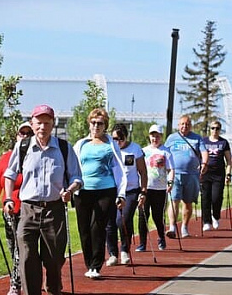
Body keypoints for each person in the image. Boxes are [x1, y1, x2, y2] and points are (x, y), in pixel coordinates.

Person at [3, 104, 83, 295]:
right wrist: (9, 198)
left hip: (54, 210)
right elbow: (9, 175)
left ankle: (54, 287)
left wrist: (70, 190)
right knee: (27, 257)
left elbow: (77, 177)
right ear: (32, 123)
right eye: (39, 122)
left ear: (53, 124)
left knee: (55, 257)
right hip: (28, 210)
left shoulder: (65, 149)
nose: (43, 127)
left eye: (47, 123)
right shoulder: (23, 146)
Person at [73, 108, 127, 279]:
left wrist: (121, 193)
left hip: (105, 190)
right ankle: (89, 263)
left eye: (100, 123)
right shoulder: (81, 144)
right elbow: (73, 167)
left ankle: (96, 265)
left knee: (98, 226)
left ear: (105, 126)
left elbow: (119, 169)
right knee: (84, 229)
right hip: (83, 191)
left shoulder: (111, 145)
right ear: (89, 124)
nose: (96, 126)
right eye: (93, 123)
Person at [0, 121, 33, 295]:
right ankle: (21, 277)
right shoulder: (6, 157)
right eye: (22, 133)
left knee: (20, 247)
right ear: (16, 136)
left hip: (29, 209)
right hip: (9, 209)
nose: (25, 136)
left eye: (29, 133)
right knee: (12, 246)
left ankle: (15, 284)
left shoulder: (35, 157)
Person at [106, 123, 147, 265]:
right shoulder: (109, 149)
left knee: (122, 219)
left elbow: (142, 171)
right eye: (114, 138)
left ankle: (124, 250)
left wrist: (143, 191)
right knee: (110, 223)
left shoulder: (135, 149)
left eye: (120, 138)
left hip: (131, 191)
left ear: (126, 137)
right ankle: (112, 253)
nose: (117, 142)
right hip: (112, 190)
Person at [164, 115, 208, 238]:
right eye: (182, 124)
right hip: (175, 174)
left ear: (190, 125)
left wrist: (204, 163)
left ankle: (184, 227)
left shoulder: (197, 138)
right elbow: (165, 153)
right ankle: (172, 227)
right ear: (178, 125)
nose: (185, 126)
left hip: (192, 175)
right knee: (174, 201)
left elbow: (204, 152)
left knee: (188, 202)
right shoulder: (171, 138)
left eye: (187, 124)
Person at [137, 124, 175, 251]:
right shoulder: (143, 151)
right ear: (149, 136)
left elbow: (170, 169)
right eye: (153, 136)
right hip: (145, 188)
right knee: (143, 215)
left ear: (161, 137)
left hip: (160, 188)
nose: (155, 138)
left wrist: (170, 182)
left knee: (157, 215)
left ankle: (161, 237)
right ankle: (142, 243)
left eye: (157, 136)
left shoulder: (166, 151)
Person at [201, 121, 232, 231]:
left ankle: (216, 216)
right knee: (205, 198)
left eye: (217, 128)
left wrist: (228, 173)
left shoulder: (224, 143)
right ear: (210, 129)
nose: (215, 130)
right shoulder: (203, 141)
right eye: (213, 128)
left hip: (218, 174)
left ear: (220, 130)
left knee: (216, 197)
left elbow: (229, 160)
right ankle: (206, 221)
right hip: (205, 173)